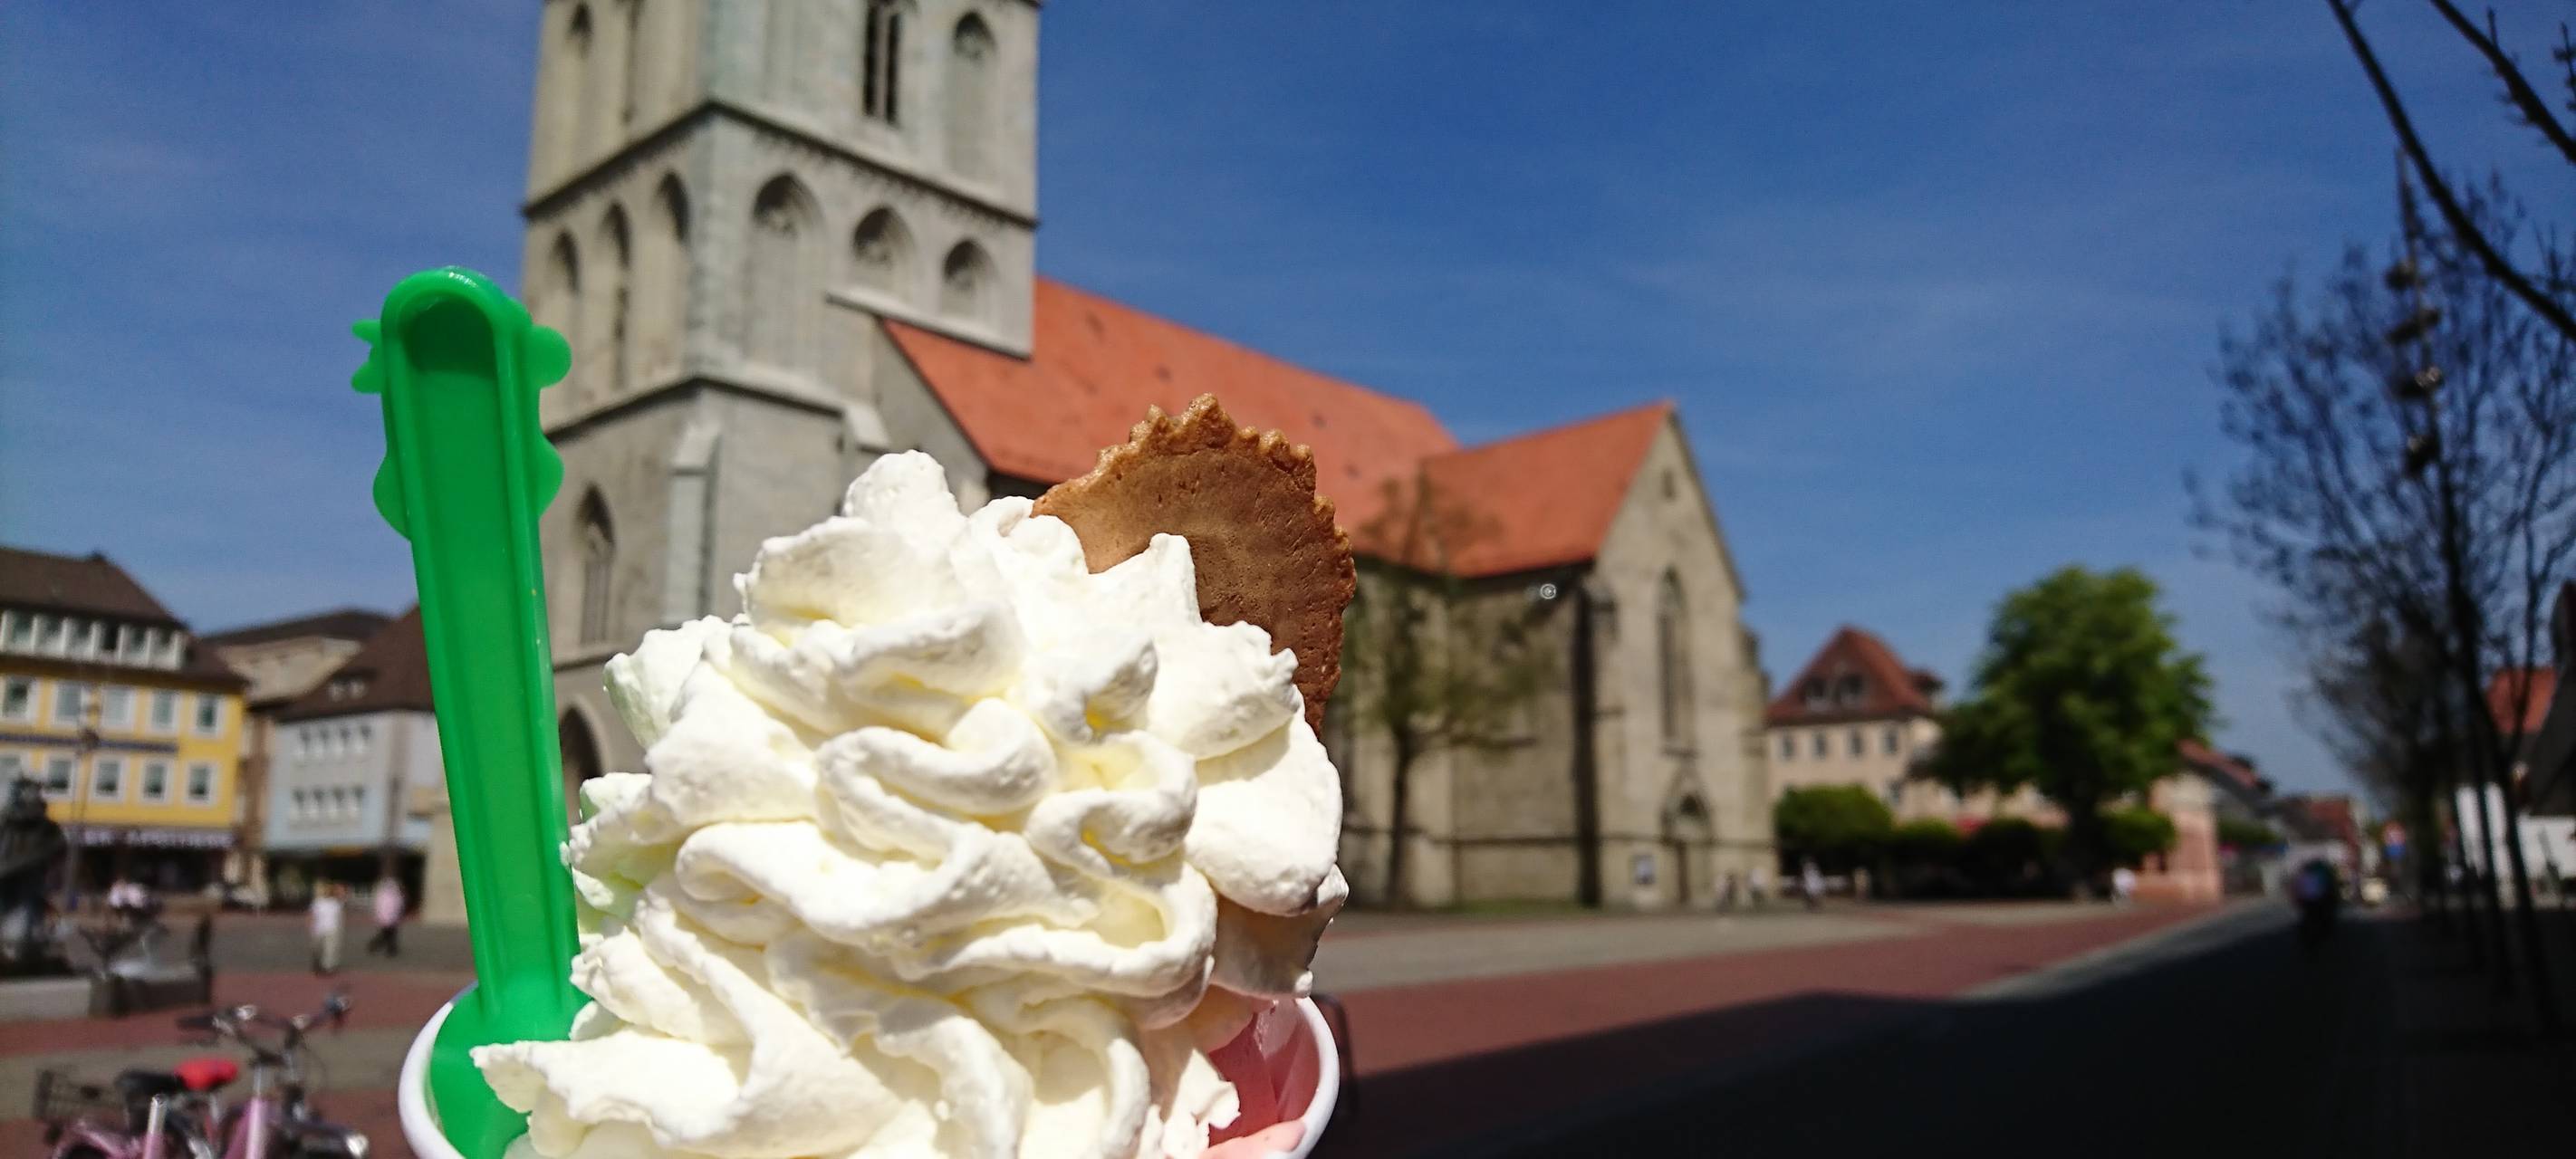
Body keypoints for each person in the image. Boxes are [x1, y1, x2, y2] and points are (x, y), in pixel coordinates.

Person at [309, 883, 344, 975]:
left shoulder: (336, 903)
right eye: (326, 891)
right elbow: (312, 915)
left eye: (329, 891)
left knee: (330, 949)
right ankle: (317, 963)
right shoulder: (317, 902)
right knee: (317, 949)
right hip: (318, 929)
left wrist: (339, 890)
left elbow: (342, 895)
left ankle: (327, 968)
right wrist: (311, 927)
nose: (328, 892)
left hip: (332, 929)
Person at [366, 875, 406, 957]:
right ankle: (384, 948)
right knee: (388, 935)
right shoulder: (388, 895)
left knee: (388, 935)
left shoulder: (387, 895)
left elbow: (399, 906)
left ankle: (388, 949)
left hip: (390, 919)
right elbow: (380, 907)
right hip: (389, 919)